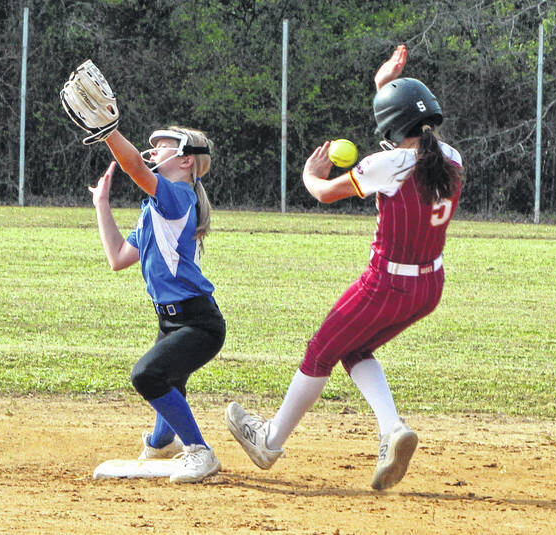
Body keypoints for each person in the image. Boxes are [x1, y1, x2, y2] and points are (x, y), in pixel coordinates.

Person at [225, 44, 464, 491]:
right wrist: (384, 87)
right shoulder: (451, 158)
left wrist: (308, 172)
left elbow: (322, 192)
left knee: (320, 351)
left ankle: (269, 441)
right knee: (354, 350)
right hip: (430, 285)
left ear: (392, 128)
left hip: (386, 282)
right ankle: (392, 429)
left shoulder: (384, 164)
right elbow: (406, 142)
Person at [88, 125, 226, 483]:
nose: (154, 151)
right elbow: (118, 257)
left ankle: (199, 451)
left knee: (147, 376)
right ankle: (160, 444)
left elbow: (134, 167)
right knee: (169, 383)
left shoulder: (179, 196)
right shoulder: (154, 210)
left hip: (198, 322)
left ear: (184, 160)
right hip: (171, 323)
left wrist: (109, 132)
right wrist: (101, 204)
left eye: (163, 146)